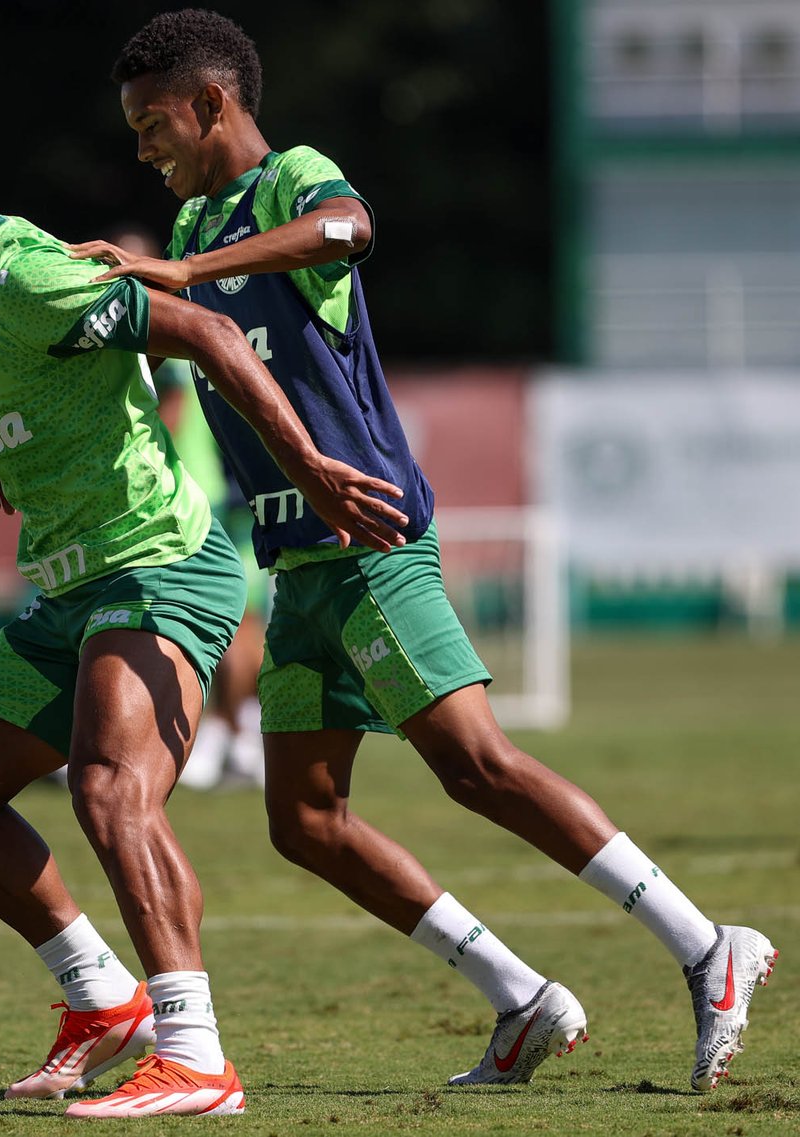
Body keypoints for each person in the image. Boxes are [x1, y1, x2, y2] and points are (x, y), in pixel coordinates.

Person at [66, 8, 780, 1094]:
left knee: (478, 765)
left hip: (367, 543)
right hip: (297, 568)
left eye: (152, 122)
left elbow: (349, 229)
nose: (141, 147)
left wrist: (185, 269)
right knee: (304, 820)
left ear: (213, 104)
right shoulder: (205, 230)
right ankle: (523, 998)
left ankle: (703, 945)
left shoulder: (286, 183)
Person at [0, 80, 410, 1119]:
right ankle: (104, 1003)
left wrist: (315, 470)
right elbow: (55, 390)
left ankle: (195, 1056)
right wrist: (7, 457)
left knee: (109, 789)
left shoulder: (22, 273)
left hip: (158, 565)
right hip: (71, 582)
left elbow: (207, 335)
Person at [107, 224, 266, 791]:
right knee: (236, 618)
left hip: (192, 495)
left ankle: (225, 734)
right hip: (214, 490)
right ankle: (233, 734)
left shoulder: (164, 328)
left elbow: (163, 419)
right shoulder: (180, 322)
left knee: (225, 622)